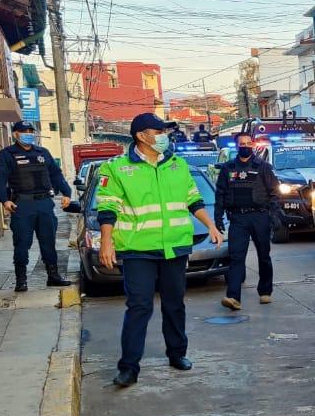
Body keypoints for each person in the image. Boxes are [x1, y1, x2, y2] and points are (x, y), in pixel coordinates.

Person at [96, 113, 224, 388]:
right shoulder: (117, 168)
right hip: (138, 249)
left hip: (174, 247)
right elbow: (107, 208)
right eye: (159, 132)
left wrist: (211, 225)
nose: (164, 136)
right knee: (139, 306)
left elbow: (193, 200)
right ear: (141, 136)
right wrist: (106, 241)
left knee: (174, 303)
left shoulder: (177, 165)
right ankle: (129, 368)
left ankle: (177, 354)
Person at [0, 121, 73, 292]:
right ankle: (21, 280)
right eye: (24, 131)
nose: (28, 134)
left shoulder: (43, 152)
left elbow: (56, 174)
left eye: (30, 131)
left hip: (45, 203)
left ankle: (53, 276)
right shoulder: (7, 154)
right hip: (22, 204)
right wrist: (4, 200)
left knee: (48, 242)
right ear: (15, 134)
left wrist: (66, 192)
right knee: (22, 243)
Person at [214, 132, 279, 310]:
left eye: (248, 143)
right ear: (236, 146)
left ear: (253, 145)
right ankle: (233, 297)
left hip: (260, 216)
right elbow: (220, 194)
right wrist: (218, 217)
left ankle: (265, 291)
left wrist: (274, 216)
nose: (245, 146)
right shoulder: (228, 168)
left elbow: (274, 192)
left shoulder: (263, 167)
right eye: (242, 144)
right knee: (236, 257)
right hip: (238, 218)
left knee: (264, 256)